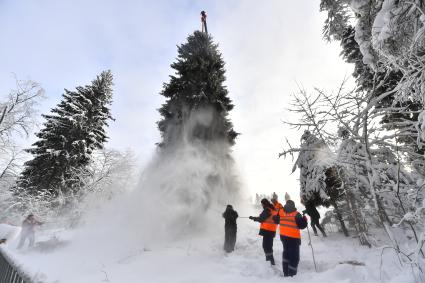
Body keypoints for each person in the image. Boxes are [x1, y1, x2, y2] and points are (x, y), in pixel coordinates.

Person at [279, 200, 307, 277]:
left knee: (286, 255)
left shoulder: (281, 212)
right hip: (293, 239)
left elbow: (276, 220)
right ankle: (292, 276)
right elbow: (302, 226)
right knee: (294, 258)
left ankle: (286, 273)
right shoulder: (296, 214)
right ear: (293, 206)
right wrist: (305, 219)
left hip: (284, 238)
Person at [249, 198, 278, 265]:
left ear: (264, 203)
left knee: (266, 246)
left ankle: (270, 261)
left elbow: (261, 219)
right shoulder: (273, 209)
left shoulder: (267, 210)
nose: (262, 205)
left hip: (267, 230)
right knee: (269, 246)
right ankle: (270, 261)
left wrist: (253, 218)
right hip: (272, 230)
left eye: (262, 204)